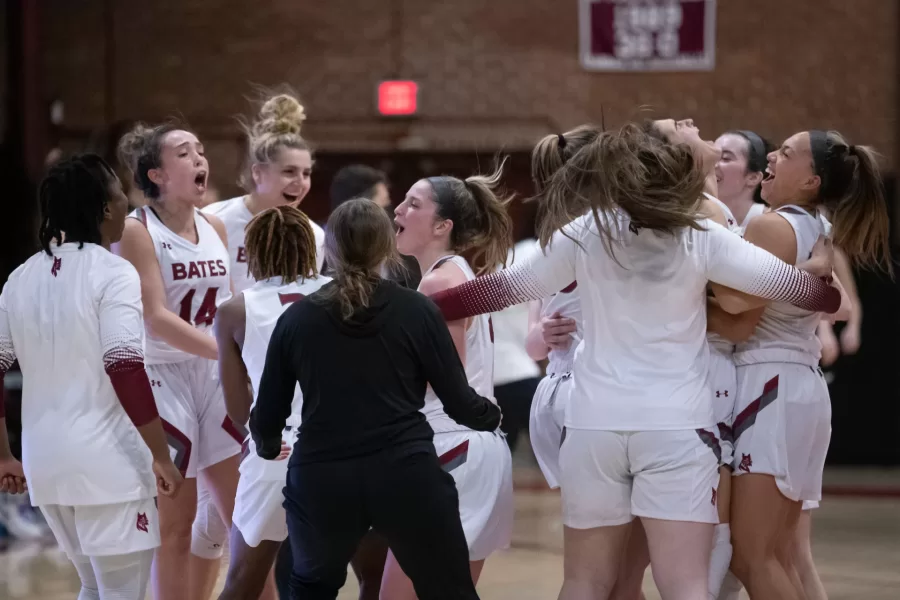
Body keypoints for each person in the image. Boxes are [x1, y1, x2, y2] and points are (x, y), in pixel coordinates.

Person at [426, 123, 840, 600]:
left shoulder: (583, 231)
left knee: (584, 582)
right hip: (677, 429)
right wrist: (818, 277)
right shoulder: (702, 233)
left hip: (592, 427)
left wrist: (407, 305)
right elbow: (811, 296)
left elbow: (491, 293)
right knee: (684, 584)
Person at [250, 198, 501, 600]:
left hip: (323, 477)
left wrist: (265, 446)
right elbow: (458, 400)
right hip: (404, 472)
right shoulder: (417, 310)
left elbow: (268, 415)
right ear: (386, 247)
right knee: (449, 588)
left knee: (310, 588)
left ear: (330, 250)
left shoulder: (297, 319)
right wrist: (492, 416)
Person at [707, 129, 891, 600]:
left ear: (811, 180)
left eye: (786, 153)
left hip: (770, 388)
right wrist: (798, 277)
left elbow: (735, 313)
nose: (773, 155)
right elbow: (840, 305)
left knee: (751, 557)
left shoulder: (770, 226)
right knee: (780, 555)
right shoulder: (820, 229)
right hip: (799, 389)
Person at [0, 154, 183, 599]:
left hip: (46, 467)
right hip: (109, 467)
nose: (127, 203)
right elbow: (123, 364)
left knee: (92, 587)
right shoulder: (114, 272)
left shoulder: (19, 278)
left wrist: (5, 455)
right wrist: (160, 454)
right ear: (104, 208)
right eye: (121, 194)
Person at [116, 123, 241, 600]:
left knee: (246, 518)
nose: (200, 159)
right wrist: (226, 351)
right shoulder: (136, 230)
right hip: (162, 378)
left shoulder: (215, 226)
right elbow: (155, 318)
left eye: (201, 151)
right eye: (185, 153)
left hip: (212, 378)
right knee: (176, 525)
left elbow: (227, 307)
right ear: (158, 175)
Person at [382, 163, 515, 599]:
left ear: (442, 225)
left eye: (413, 204)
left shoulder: (441, 280)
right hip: (474, 445)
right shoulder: (457, 273)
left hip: (451, 445)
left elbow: (445, 377)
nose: (398, 209)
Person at [214, 205, 330, 599]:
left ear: (254, 252)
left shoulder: (234, 310)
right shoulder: (344, 296)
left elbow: (236, 407)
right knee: (367, 575)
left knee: (243, 580)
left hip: (275, 452)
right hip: (342, 451)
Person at [204, 91, 324, 295]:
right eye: (289, 171)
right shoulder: (214, 220)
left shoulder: (313, 235)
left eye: (306, 173)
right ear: (258, 173)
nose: (300, 182)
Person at [713, 130, 772, 230]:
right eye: (713, 156)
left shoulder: (772, 223)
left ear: (753, 178)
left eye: (725, 158)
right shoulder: (696, 216)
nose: (713, 164)